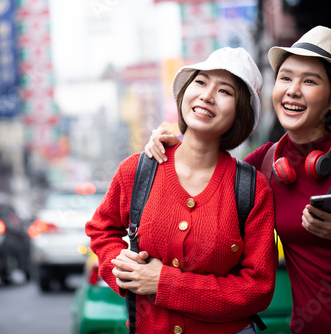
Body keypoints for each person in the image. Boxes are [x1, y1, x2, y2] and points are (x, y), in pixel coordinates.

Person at [145, 26, 331, 334]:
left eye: (309, 81)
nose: (293, 90)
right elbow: (207, 171)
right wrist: (170, 143)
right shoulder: (264, 165)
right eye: (286, 77)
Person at [85, 47, 276, 334]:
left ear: (240, 113)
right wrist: (124, 269)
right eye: (200, 82)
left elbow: (258, 289)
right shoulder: (138, 171)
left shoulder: (251, 188)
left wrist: (164, 283)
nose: (207, 96)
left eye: (225, 91)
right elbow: (101, 230)